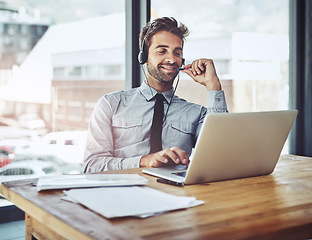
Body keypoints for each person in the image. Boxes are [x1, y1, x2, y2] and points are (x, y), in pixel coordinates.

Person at [83, 17, 228, 173]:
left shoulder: (196, 113)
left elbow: (223, 154)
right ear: (144, 57)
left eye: (177, 53)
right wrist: (145, 161)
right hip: (124, 193)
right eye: (162, 51)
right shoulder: (111, 104)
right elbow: (92, 166)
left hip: (176, 194)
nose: (172, 59)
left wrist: (213, 86)